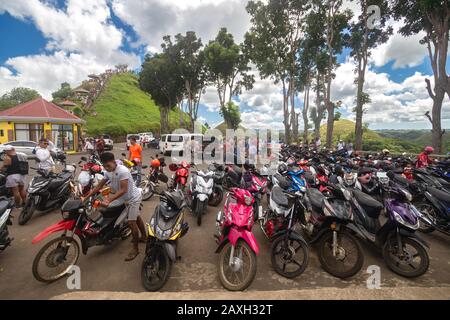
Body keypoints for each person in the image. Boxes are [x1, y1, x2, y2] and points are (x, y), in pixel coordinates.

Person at [83, 152, 145, 261]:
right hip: (122, 198)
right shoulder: (108, 172)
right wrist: (86, 197)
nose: (107, 168)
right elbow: (99, 186)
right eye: (104, 166)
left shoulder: (123, 171)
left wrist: (110, 199)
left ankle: (135, 249)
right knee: (136, 217)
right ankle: (144, 236)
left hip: (132, 198)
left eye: (108, 165)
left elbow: (123, 190)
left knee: (131, 222)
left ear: (114, 161)